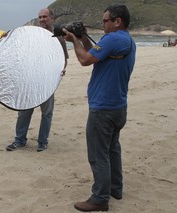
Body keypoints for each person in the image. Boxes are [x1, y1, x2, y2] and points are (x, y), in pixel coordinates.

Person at [63, 4, 136, 212]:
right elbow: (95, 53)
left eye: (105, 21)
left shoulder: (113, 39)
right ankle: (115, 188)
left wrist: (74, 40)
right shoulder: (127, 40)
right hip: (118, 106)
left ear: (117, 21)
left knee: (98, 154)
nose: (102, 25)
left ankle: (100, 198)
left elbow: (85, 59)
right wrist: (84, 37)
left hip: (103, 108)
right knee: (113, 149)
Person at [6, 8, 69, 152]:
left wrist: (61, 69)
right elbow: (18, 46)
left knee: (46, 113)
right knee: (24, 111)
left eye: (45, 17)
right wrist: (7, 36)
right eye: (40, 17)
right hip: (30, 80)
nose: (42, 19)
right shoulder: (32, 35)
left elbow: (63, 60)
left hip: (47, 82)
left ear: (52, 18)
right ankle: (20, 140)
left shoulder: (58, 37)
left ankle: (42, 141)